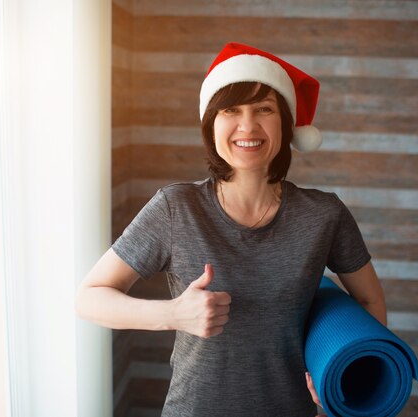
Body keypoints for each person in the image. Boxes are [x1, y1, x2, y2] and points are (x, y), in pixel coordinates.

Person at [75, 42, 387, 417]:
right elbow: (89, 298)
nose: (248, 125)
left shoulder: (324, 215)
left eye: (264, 110)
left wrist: (340, 384)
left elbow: (369, 303)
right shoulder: (177, 208)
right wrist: (175, 314)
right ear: (211, 123)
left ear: (285, 124)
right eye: (231, 110)